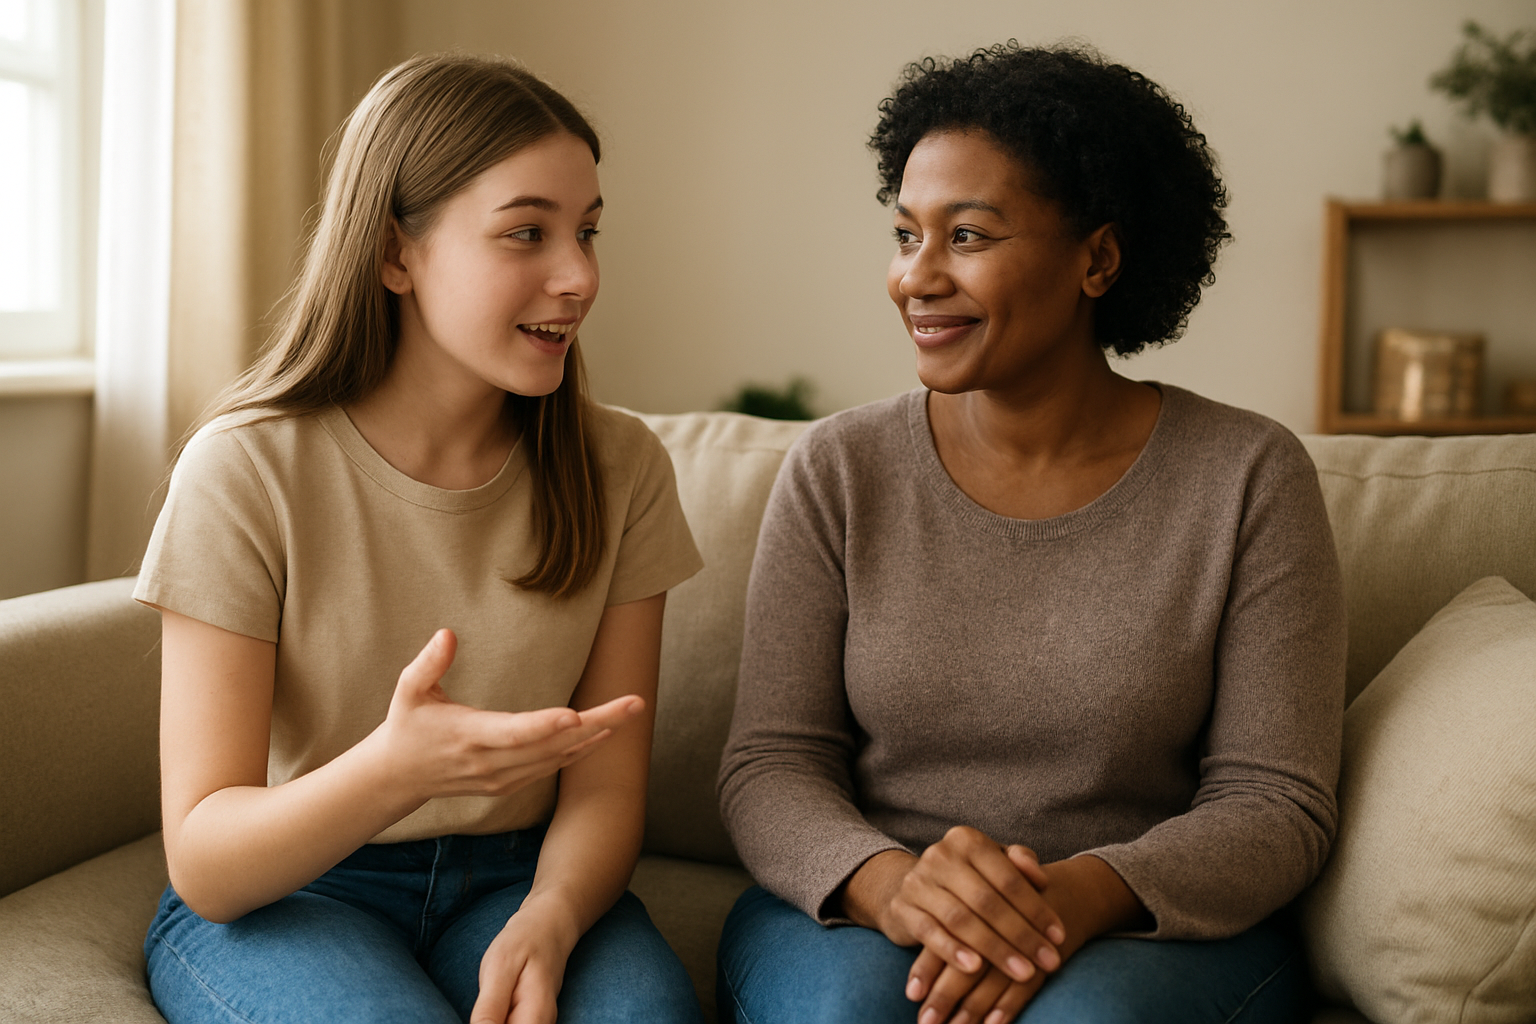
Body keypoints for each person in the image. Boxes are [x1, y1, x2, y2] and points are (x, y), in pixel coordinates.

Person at [716, 42, 1345, 1024]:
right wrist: (895, 884)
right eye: (905, 233)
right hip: (868, 905)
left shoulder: (1248, 478)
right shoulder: (839, 469)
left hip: (1137, 918)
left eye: (966, 236)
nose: (915, 278)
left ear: (1097, 257)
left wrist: (1075, 895)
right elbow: (770, 764)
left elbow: (1276, 800)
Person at [135, 54, 706, 1024]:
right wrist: (396, 768)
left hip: (523, 877)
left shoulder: (623, 467)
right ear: (397, 254)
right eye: (528, 231)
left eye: (589, 232)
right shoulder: (244, 469)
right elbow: (206, 864)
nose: (579, 276)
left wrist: (553, 915)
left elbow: (607, 785)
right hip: (299, 889)